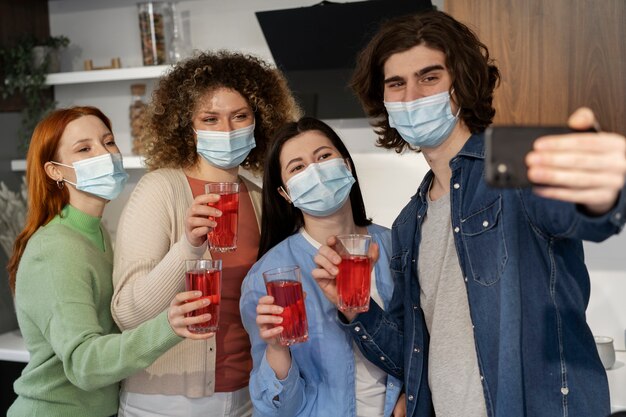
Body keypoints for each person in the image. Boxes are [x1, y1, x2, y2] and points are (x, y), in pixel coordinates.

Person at [312, 10, 626, 417]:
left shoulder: (514, 166)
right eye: (396, 84)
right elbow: (412, 354)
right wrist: (356, 311)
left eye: (429, 78)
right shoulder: (410, 221)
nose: (412, 98)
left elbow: (587, 213)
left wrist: (602, 191)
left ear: (460, 82)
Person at [110, 50, 301, 417]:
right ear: (187, 126)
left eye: (240, 117)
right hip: (167, 403)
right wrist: (189, 247)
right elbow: (128, 314)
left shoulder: (263, 199)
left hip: (249, 397)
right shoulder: (159, 190)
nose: (227, 131)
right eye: (210, 119)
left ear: (259, 122)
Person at [6, 106, 213, 417]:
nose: (104, 154)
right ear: (55, 171)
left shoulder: (96, 233)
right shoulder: (53, 248)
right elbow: (85, 363)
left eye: (108, 142)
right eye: (84, 148)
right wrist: (169, 325)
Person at [239, 117, 405, 417]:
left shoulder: (397, 247)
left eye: (324, 156)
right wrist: (277, 350)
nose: (314, 171)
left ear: (347, 165)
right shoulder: (268, 277)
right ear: (285, 193)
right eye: (297, 167)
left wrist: (411, 388)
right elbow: (277, 411)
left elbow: (422, 347)